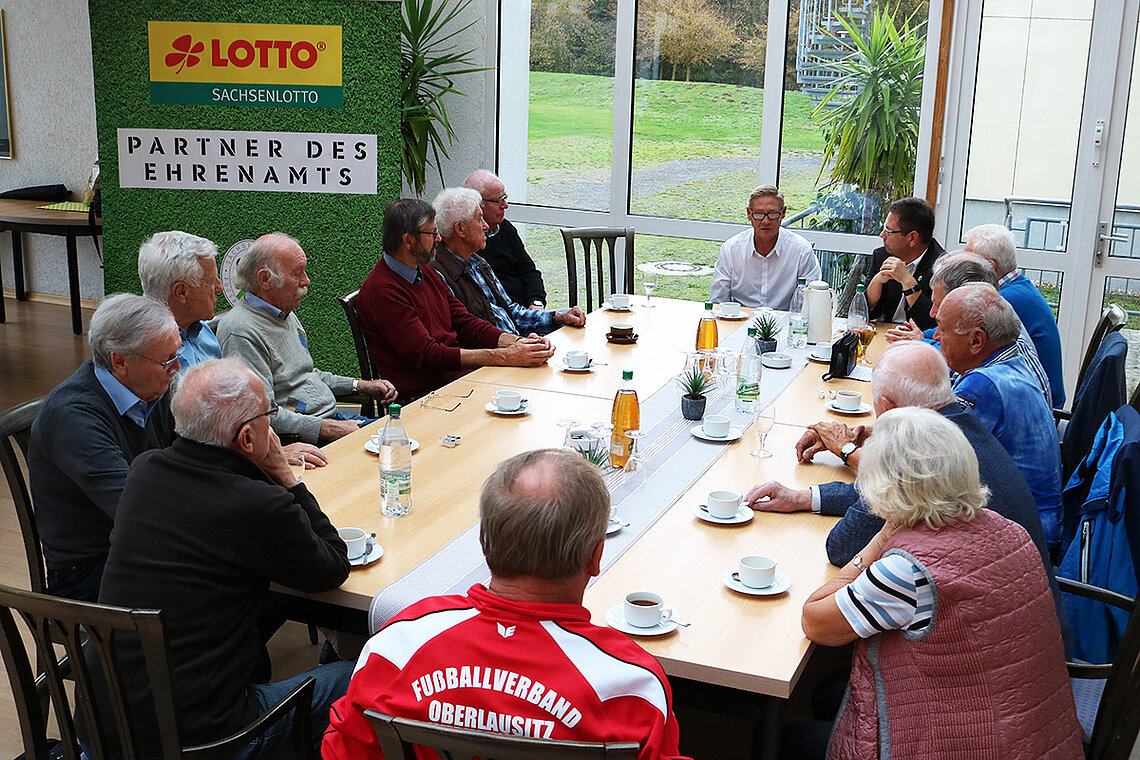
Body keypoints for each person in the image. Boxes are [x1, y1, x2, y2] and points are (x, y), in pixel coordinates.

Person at [322, 449, 688, 760]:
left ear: (484, 542)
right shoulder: (633, 686)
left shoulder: (394, 649)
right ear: (596, 555)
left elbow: (343, 751)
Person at [96, 358, 352, 757]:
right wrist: (286, 476)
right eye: (269, 414)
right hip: (205, 740)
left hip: (106, 722)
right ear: (248, 438)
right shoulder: (258, 504)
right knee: (356, 675)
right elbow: (333, 566)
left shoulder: (145, 471)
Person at [746, 341, 1070, 647]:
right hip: (1025, 650)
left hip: (963, 688)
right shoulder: (960, 436)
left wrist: (885, 531)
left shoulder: (910, 568)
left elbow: (835, 565)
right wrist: (806, 498)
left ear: (886, 407)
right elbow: (904, 494)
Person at [801, 408, 1082, 759]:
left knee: (794, 738)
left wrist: (882, 536)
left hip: (970, 745)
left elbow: (815, 621)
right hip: (1034, 737)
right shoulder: (1009, 530)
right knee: (828, 694)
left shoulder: (907, 573)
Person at [28, 293, 180, 601]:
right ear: (120, 361)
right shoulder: (73, 416)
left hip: (140, 544)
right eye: (167, 361)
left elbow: (194, 452)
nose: (176, 368)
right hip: (90, 572)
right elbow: (135, 508)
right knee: (230, 583)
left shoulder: (152, 386)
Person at [356, 198, 556, 402]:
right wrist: (505, 356)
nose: (439, 239)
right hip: (424, 399)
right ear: (408, 241)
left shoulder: (425, 271)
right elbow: (427, 356)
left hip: (457, 384)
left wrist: (520, 342)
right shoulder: (382, 291)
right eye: (432, 233)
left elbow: (465, 322)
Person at [215, 232, 397, 444]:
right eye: (297, 273)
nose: (307, 281)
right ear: (264, 279)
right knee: (395, 453)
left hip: (334, 421)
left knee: (406, 440)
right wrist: (328, 428)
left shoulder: (284, 313)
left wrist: (360, 385)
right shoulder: (240, 331)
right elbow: (262, 414)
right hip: (306, 440)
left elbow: (307, 374)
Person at [935, 283, 1064, 546]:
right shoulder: (1011, 361)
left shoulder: (983, 386)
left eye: (943, 329)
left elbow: (934, 467)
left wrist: (851, 451)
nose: (936, 336)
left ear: (976, 340)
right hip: (1035, 520)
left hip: (1020, 537)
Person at [883, 251, 1052, 406]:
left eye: (940, 305)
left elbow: (942, 427)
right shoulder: (998, 326)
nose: (932, 313)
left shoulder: (982, 383)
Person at [431, 187, 585, 336]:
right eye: (479, 219)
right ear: (460, 230)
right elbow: (467, 336)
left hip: (514, 345)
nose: (485, 226)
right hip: (496, 356)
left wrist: (559, 317)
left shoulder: (478, 263)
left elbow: (511, 311)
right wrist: (516, 345)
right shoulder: (439, 276)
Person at [965, 223, 1065, 407]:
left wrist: (923, 336)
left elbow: (960, 333)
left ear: (989, 266)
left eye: (968, 261)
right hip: (1034, 397)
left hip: (1039, 407)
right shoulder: (1018, 287)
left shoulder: (1004, 300)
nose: (963, 267)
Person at [710, 185, 821, 310]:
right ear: (749, 214)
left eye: (772, 214)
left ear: (783, 213)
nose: (766, 221)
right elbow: (717, 302)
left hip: (784, 324)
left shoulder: (801, 250)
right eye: (759, 214)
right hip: (740, 321)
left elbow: (808, 305)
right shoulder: (731, 249)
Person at [137, 230, 224, 369]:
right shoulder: (146, 352)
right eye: (211, 282)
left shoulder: (201, 329)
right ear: (181, 292)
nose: (220, 288)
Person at [464, 169, 547, 307]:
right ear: (477, 203)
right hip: (503, 315)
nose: (505, 205)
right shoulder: (466, 241)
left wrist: (536, 302)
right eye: (498, 200)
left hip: (525, 310)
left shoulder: (505, 228)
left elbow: (529, 271)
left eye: (505, 198)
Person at [864, 197, 944, 330]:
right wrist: (877, 281)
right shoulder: (882, 256)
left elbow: (932, 324)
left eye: (889, 231)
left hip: (920, 341)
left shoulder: (942, 267)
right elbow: (863, 313)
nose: (882, 235)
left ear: (912, 238)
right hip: (884, 332)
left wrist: (907, 281)